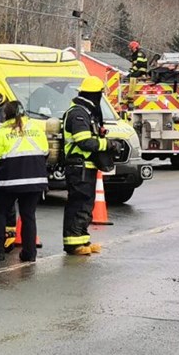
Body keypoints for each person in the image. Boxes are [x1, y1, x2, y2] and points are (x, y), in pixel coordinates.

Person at [0, 100, 48, 262]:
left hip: (9, 181)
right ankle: (29, 253)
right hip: (35, 180)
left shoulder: (3, 131)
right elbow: (45, 151)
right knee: (28, 216)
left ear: (6, 114)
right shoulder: (36, 128)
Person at [62, 76, 110, 256]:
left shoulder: (86, 112)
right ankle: (73, 244)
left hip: (86, 166)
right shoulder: (78, 114)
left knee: (86, 205)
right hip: (78, 166)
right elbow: (84, 142)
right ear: (94, 95)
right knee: (78, 204)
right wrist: (108, 144)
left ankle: (82, 239)